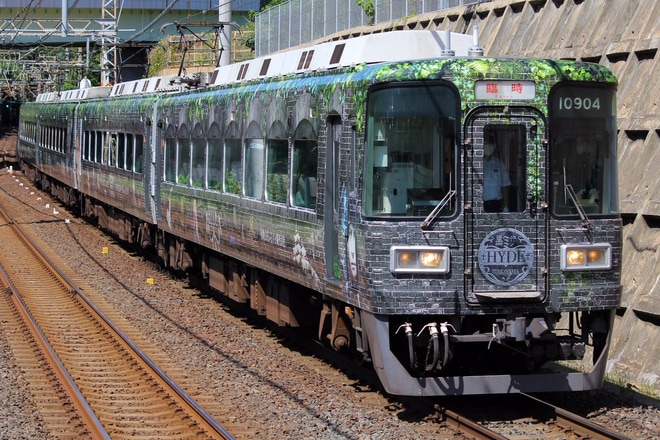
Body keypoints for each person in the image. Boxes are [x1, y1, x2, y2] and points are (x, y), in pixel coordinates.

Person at [483, 142, 511, 212]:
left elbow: (505, 185)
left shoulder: (499, 163)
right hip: (481, 204)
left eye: (491, 146)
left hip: (496, 203)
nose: (489, 148)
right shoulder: (478, 163)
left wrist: (506, 206)